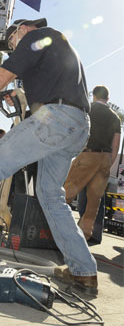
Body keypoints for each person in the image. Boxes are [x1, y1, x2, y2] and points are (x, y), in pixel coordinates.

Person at [0, 18, 98, 295]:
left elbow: (2, 75)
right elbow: (46, 99)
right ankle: (83, 271)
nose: (13, 49)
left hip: (56, 118)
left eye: (12, 43)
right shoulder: (58, 48)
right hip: (77, 124)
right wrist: (25, 100)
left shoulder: (40, 36)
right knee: (51, 196)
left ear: (21, 31)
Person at [64, 85, 121, 241]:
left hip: (88, 154)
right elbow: (115, 145)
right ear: (107, 99)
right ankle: (84, 236)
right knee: (93, 204)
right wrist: (108, 163)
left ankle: (54, 230)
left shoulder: (88, 110)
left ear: (94, 96)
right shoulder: (115, 117)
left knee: (65, 194)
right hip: (105, 159)